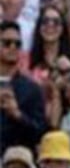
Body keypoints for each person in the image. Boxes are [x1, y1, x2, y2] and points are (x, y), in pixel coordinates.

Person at [0, 20, 48, 152]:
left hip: (18, 164)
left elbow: (40, 134)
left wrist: (18, 115)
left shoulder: (32, 89)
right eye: (7, 43)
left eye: (18, 44)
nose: (13, 47)